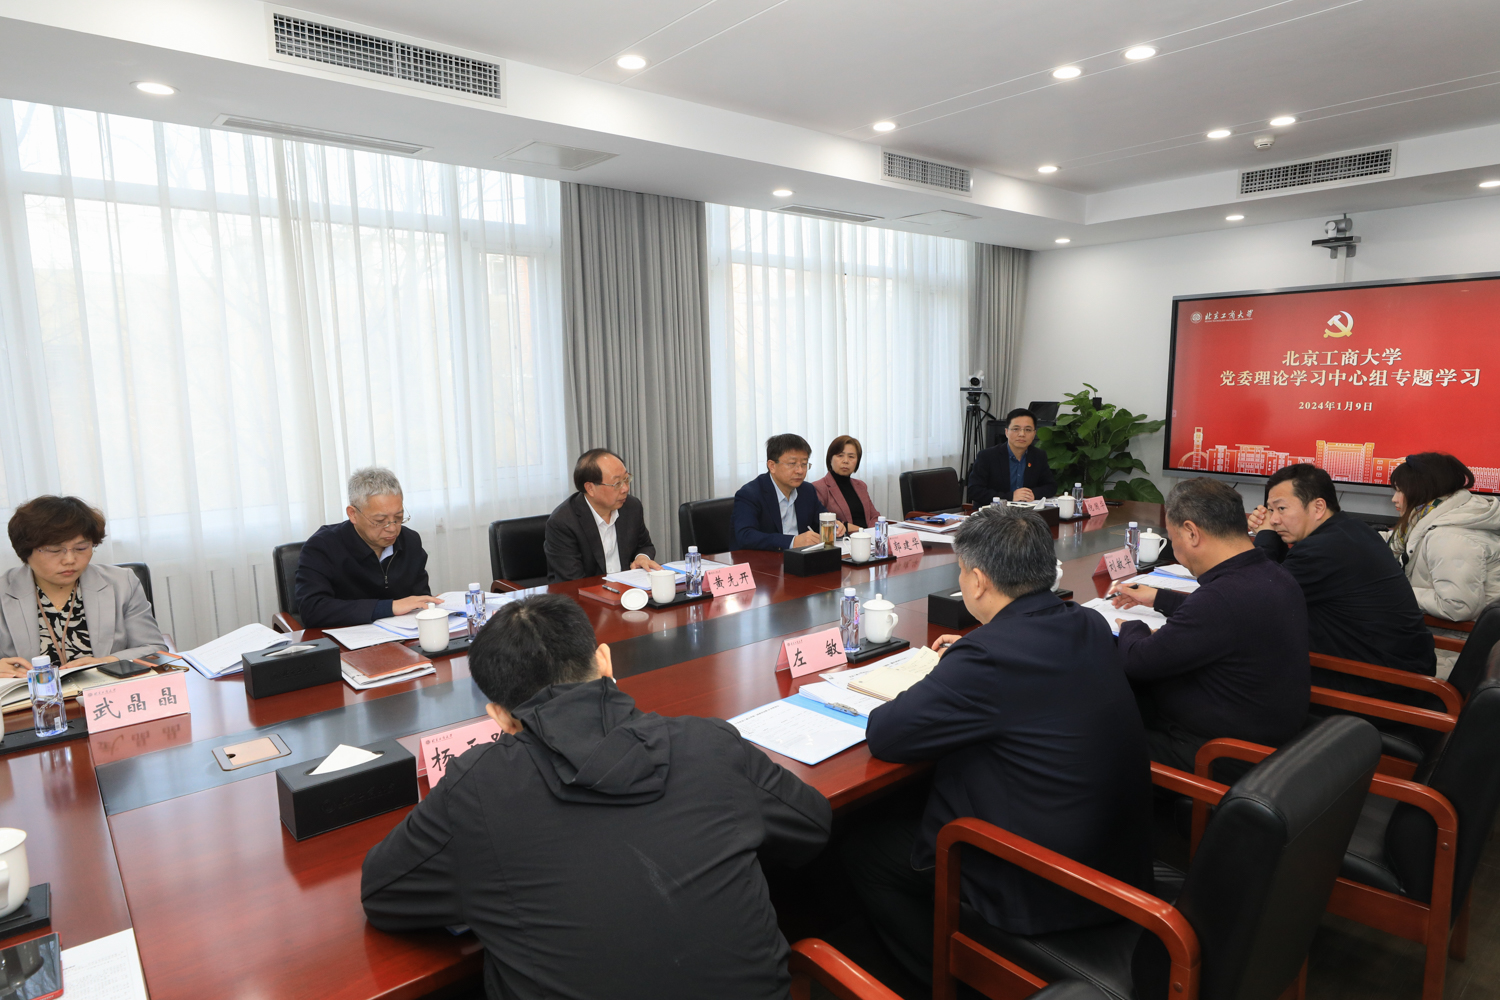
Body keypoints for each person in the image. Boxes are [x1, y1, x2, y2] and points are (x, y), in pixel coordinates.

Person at [361, 593, 832, 1000]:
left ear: (499, 716)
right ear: (605, 662)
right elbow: (813, 825)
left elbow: (383, 895)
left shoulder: (476, 790)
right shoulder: (709, 742)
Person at [842, 506, 1151, 983]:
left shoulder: (988, 656)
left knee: (865, 850)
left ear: (978, 580)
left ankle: (941, 982)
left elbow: (886, 734)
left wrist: (957, 667)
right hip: (1116, 860)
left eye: (961, 571)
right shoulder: (1086, 623)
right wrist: (969, 658)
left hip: (1043, 882)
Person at [1107, 477, 1309, 770]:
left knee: (1092, 733)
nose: (1174, 548)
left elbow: (1136, 661)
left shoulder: (1221, 598)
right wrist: (1159, 598)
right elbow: (1223, 616)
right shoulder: (1273, 574)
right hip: (1268, 737)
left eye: (1172, 538)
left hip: (1216, 753)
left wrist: (1131, 627)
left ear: (1191, 533)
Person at [1249, 464, 1434, 682]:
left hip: (1380, 684)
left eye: (1281, 509)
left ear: (1318, 507)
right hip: (1400, 669)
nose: (1273, 520)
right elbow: (1282, 579)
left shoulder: (1322, 550)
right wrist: (1272, 537)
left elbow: (1255, 598)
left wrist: (1265, 537)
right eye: (1270, 510)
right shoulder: (1352, 529)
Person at [1, 496, 167, 677]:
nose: (70, 560)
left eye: (81, 548)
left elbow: (153, 649)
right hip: (32, 694)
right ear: (26, 550)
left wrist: (107, 661)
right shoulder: (4, 592)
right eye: (55, 550)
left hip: (105, 689)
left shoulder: (121, 583)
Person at [294, 467, 440, 628]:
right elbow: (312, 610)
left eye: (398, 518)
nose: (392, 528)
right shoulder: (322, 546)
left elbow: (419, 600)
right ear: (353, 514)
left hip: (403, 635)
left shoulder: (410, 541)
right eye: (380, 521)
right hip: (345, 638)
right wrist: (389, 607)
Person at [1387, 453, 1500, 622]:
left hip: (1452, 635)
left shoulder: (1449, 538)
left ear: (1422, 490)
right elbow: (1407, 540)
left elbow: (1457, 607)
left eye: (1399, 491)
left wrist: (1391, 591)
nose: (1394, 499)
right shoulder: (1439, 514)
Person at [543, 449, 662, 582]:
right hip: (587, 592)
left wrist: (642, 557)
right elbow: (574, 581)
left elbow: (645, 545)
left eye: (626, 479)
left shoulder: (631, 507)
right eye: (617, 483)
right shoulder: (563, 522)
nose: (625, 488)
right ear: (590, 488)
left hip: (628, 590)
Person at [733, 433, 844, 550]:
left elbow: (820, 522)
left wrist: (835, 526)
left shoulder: (807, 491)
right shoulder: (750, 494)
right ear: (772, 466)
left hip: (802, 557)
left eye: (804, 464)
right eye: (792, 464)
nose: (800, 471)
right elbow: (745, 536)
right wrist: (792, 542)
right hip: (765, 558)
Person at [967, 408, 1057, 505]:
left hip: (1027, 510)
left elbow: (1051, 486)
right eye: (1016, 429)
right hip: (994, 511)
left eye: (1028, 430)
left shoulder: (1038, 456)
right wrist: (1009, 497)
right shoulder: (987, 456)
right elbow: (974, 490)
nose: (1022, 434)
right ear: (1006, 432)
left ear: (1034, 433)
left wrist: (1032, 494)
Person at [812, 435, 881, 535]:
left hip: (868, 538)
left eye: (851, 457)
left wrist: (872, 534)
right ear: (830, 458)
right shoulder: (818, 487)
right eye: (840, 455)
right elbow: (820, 522)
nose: (845, 461)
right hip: (843, 540)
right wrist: (860, 531)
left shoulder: (861, 486)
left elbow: (874, 516)